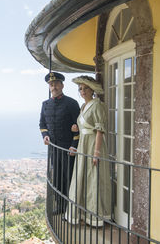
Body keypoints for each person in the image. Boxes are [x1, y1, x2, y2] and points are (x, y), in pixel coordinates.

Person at [65, 75, 111, 226]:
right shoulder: (83, 106)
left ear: (92, 89)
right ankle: (82, 213)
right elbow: (86, 124)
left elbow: (99, 130)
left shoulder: (98, 105)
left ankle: (95, 217)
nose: (82, 91)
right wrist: (76, 128)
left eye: (85, 88)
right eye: (80, 89)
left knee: (93, 179)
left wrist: (96, 153)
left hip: (92, 145)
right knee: (81, 177)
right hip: (83, 145)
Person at [39, 72, 80, 214]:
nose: (54, 86)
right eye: (51, 84)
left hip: (68, 148)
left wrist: (74, 146)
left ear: (62, 85)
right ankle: (61, 205)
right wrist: (45, 136)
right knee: (56, 178)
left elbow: (78, 126)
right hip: (53, 149)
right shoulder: (45, 105)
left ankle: (71, 207)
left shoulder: (71, 103)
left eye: (56, 83)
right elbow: (42, 124)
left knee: (69, 177)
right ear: (49, 87)